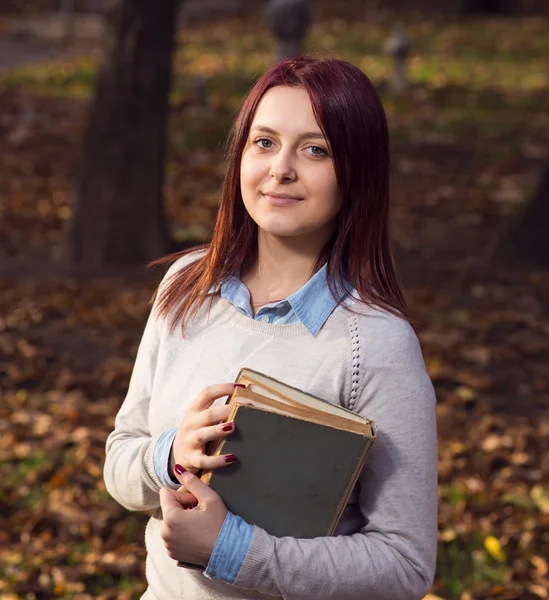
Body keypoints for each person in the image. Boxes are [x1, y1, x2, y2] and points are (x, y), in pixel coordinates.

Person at [103, 56, 438, 600]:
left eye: (315, 149)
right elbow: (121, 458)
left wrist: (233, 550)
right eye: (264, 142)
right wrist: (171, 455)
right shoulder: (185, 286)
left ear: (357, 172)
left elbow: (404, 566)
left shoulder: (375, 345)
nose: (280, 168)